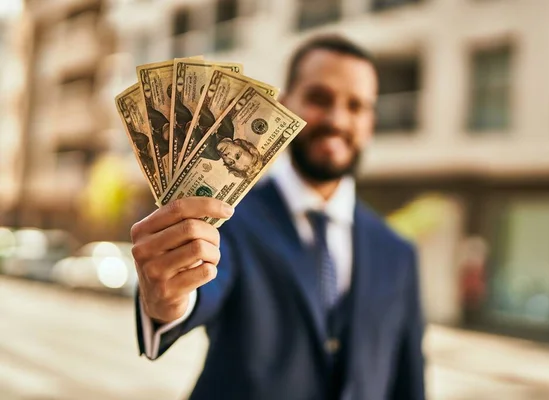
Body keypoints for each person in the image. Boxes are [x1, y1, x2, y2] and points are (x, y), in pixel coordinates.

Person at [131, 35, 425, 400]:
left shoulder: (397, 253)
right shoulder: (227, 216)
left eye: (356, 106)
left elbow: (408, 381)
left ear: (370, 123)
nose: (337, 119)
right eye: (319, 98)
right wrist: (170, 299)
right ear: (285, 105)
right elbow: (201, 290)